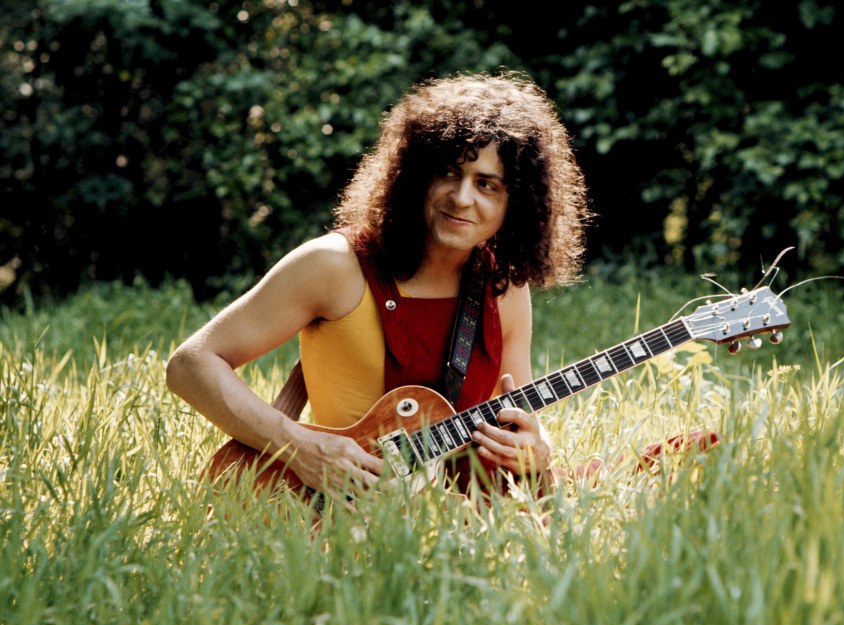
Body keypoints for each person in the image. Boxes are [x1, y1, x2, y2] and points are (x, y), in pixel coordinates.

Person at [165, 71, 594, 504]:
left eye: (487, 184)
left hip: (473, 527)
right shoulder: (334, 264)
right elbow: (191, 364)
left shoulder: (504, 284)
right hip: (344, 515)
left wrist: (537, 450)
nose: (462, 198)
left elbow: (515, 422)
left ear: (515, 203)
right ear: (414, 176)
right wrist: (298, 446)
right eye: (448, 172)